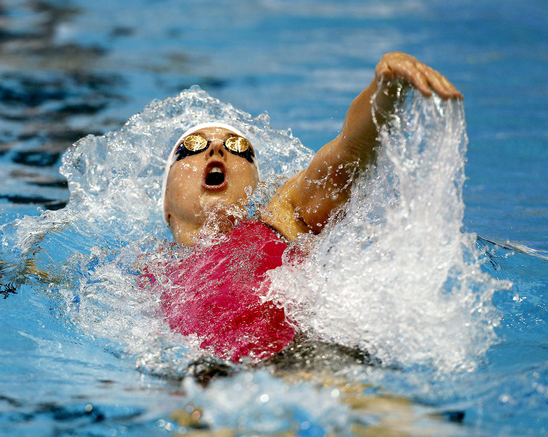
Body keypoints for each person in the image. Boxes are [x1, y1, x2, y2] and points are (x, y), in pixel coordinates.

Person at [158, 52, 463, 363]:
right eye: (191, 147)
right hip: (200, 378)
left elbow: (346, 154)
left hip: (305, 362)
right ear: (165, 200)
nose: (217, 149)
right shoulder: (148, 274)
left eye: (240, 149)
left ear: (255, 186)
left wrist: (383, 91)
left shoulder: (281, 218)